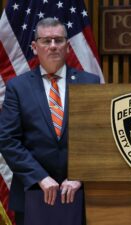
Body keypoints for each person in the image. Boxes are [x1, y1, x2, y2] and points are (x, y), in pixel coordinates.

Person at [0, 18, 100, 225]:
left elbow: (98, 137)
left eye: (58, 40)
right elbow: (7, 139)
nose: (53, 46)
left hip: (78, 192)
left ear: (68, 47)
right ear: (35, 47)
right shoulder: (18, 87)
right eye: (46, 41)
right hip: (34, 193)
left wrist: (79, 177)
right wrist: (40, 177)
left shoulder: (89, 83)